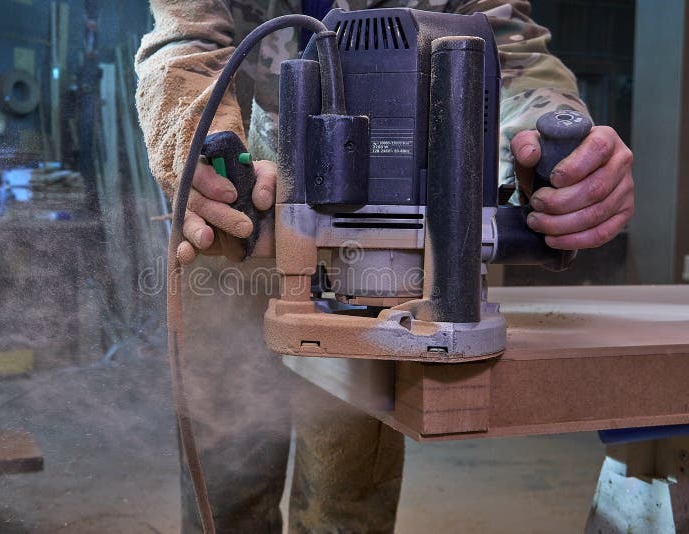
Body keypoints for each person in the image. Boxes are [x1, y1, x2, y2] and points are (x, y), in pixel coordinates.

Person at [135, 1, 635, 532]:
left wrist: (561, 161)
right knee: (224, 482)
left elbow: (510, 50)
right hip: (233, 212)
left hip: (383, 252)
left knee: (347, 499)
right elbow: (180, 46)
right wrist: (192, 147)